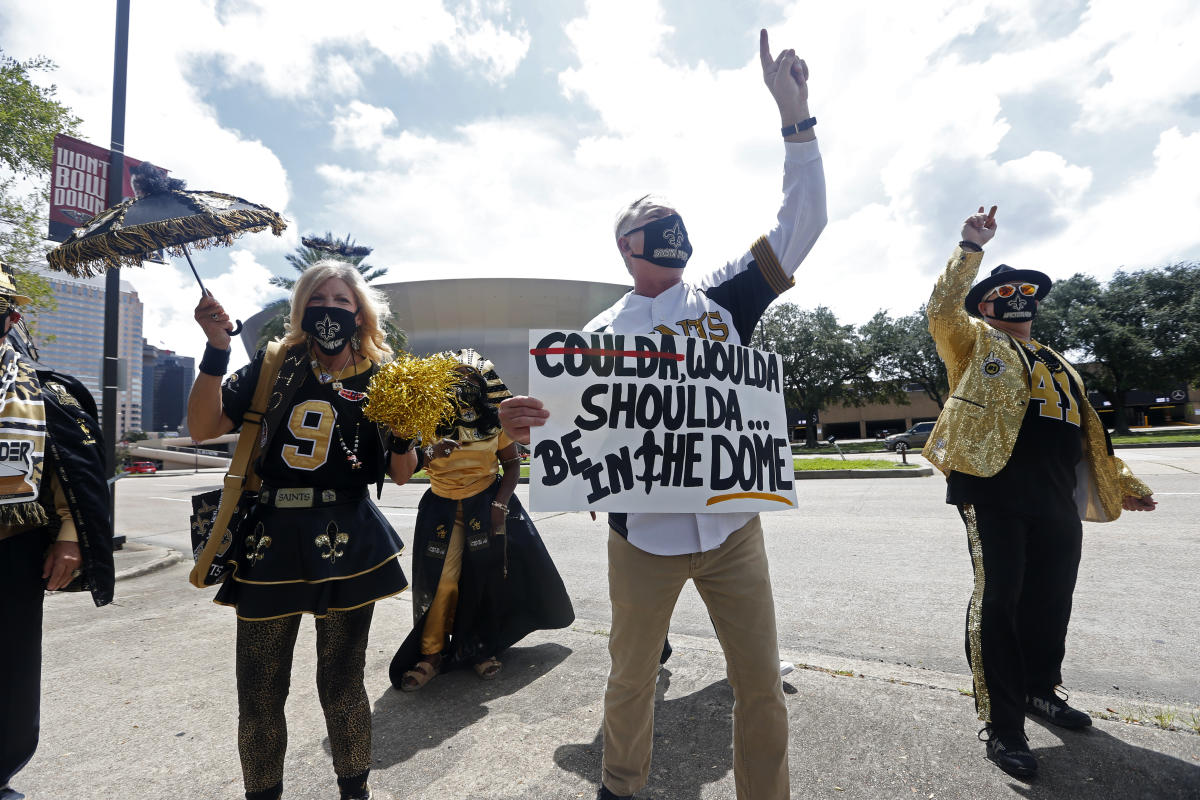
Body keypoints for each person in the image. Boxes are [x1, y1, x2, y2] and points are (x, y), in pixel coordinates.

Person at [500, 29, 826, 800]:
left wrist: (796, 119)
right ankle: (622, 785)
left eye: (674, 216)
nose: (670, 224)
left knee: (759, 686)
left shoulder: (724, 298)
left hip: (734, 532)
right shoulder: (594, 342)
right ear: (627, 247)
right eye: (653, 220)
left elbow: (802, 222)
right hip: (641, 540)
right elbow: (560, 438)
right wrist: (521, 426)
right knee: (631, 677)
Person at [924, 207, 1158, 780]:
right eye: (1005, 291)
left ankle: (1038, 689)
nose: (1018, 297)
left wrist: (1121, 483)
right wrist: (969, 246)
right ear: (986, 305)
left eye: (1026, 291)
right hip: (992, 487)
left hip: (1057, 496)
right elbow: (941, 310)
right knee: (999, 599)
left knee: (1051, 599)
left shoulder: (1060, 364)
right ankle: (1003, 724)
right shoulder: (973, 342)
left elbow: (1089, 434)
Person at [188, 261, 417, 800]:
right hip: (272, 543)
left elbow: (403, 474)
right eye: (319, 299)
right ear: (301, 309)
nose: (330, 310)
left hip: (349, 541)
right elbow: (202, 428)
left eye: (342, 301)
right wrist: (217, 347)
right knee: (260, 691)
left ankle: (354, 791)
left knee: (342, 684)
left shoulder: (386, 376)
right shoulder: (273, 365)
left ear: (359, 311)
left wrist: (405, 431)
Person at [387, 349, 573, 691]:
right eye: (454, 378)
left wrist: (500, 505)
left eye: (470, 378)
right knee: (441, 582)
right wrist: (431, 452)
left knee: (484, 579)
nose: (463, 385)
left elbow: (512, 464)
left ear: (484, 383)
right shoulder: (424, 420)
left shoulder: (494, 422)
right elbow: (400, 473)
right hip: (442, 508)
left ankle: (481, 648)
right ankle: (431, 654)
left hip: (486, 505)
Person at [0, 261, 114, 800]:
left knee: (10, 672)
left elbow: (70, 473)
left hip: (11, 550)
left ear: (12, 316)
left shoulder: (39, 394)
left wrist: (70, 533)